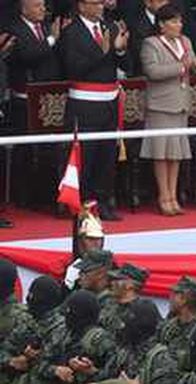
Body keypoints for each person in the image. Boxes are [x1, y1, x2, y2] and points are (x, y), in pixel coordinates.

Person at [59, 0, 131, 221]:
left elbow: (127, 64)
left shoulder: (111, 27)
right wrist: (105, 51)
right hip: (85, 103)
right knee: (86, 156)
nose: (100, 7)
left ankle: (103, 202)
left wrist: (119, 51)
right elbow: (72, 68)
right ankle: (82, 203)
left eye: (102, 2)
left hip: (110, 101)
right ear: (81, 6)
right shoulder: (71, 32)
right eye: (95, 2)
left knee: (106, 155)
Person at [140, 3, 196, 217]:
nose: (178, 25)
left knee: (176, 153)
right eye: (173, 21)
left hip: (180, 103)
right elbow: (152, 71)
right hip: (160, 105)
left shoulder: (185, 41)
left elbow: (193, 69)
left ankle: (173, 195)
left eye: (180, 21)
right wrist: (185, 66)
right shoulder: (151, 43)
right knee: (161, 153)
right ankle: (164, 196)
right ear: (161, 24)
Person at [7, 0, 62, 215]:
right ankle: (24, 196)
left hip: (48, 96)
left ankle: (45, 194)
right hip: (24, 98)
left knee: (49, 148)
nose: (42, 9)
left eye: (43, 5)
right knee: (26, 149)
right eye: (37, 6)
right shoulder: (14, 29)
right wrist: (51, 40)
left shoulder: (48, 27)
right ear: (24, 9)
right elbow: (27, 55)